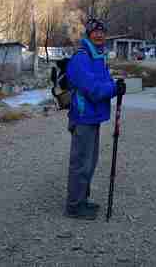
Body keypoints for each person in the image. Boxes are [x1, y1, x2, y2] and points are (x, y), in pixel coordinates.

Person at [65, 17, 126, 220]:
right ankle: (74, 206)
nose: (99, 34)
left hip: (92, 117)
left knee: (89, 161)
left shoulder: (97, 56)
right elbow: (94, 90)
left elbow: (104, 82)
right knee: (81, 162)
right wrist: (113, 89)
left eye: (102, 31)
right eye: (95, 31)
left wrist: (115, 86)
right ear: (88, 34)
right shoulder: (81, 58)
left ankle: (82, 199)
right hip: (83, 116)